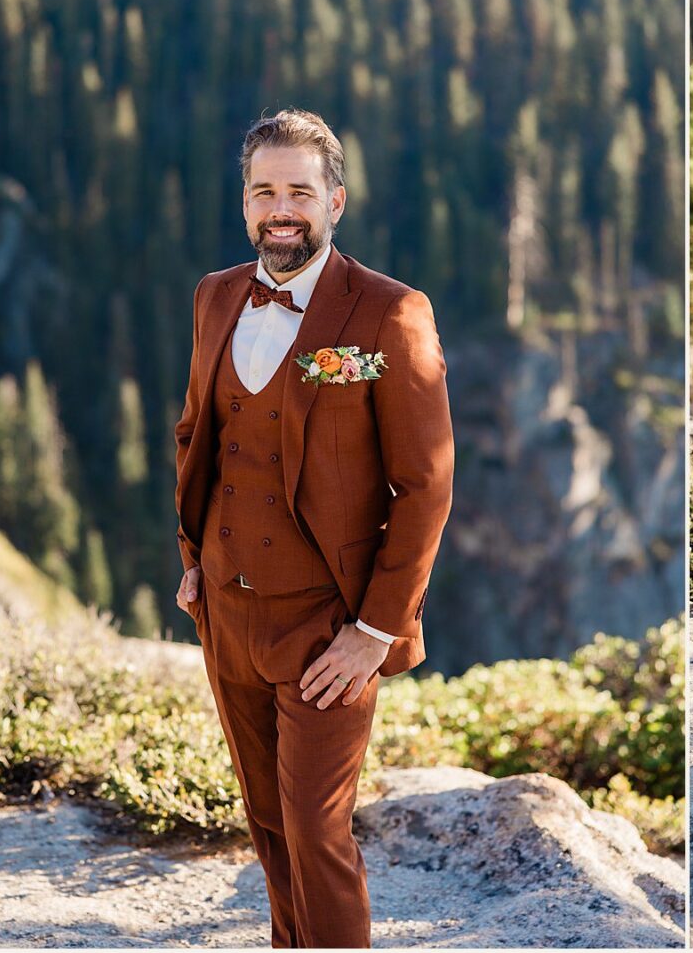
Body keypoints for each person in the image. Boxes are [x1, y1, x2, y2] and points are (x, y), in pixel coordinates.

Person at [172, 107, 453, 946]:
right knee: (265, 824)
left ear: (336, 199)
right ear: (246, 203)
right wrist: (192, 557)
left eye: (300, 189)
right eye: (264, 191)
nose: (280, 207)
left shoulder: (389, 314)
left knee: (318, 833)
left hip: (330, 626)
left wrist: (374, 631)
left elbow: (425, 484)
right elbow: (197, 436)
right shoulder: (217, 296)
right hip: (227, 613)